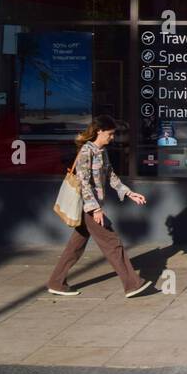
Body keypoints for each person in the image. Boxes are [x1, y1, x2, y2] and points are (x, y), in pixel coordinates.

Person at [47, 115, 152, 298]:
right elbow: (84, 183)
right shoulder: (87, 151)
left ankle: (56, 282)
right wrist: (95, 209)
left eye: (113, 134)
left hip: (92, 206)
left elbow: (111, 175)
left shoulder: (101, 151)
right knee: (112, 243)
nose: (112, 138)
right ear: (99, 131)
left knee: (75, 246)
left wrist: (129, 193)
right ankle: (132, 284)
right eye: (110, 134)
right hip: (88, 206)